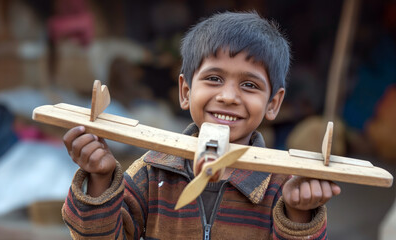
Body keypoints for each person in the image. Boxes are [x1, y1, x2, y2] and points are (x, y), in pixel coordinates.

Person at [62, 11, 341, 239]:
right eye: (214, 79)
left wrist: (299, 214)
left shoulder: (281, 187)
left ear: (273, 104)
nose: (228, 97)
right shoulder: (151, 172)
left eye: (249, 85)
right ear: (185, 91)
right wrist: (100, 178)